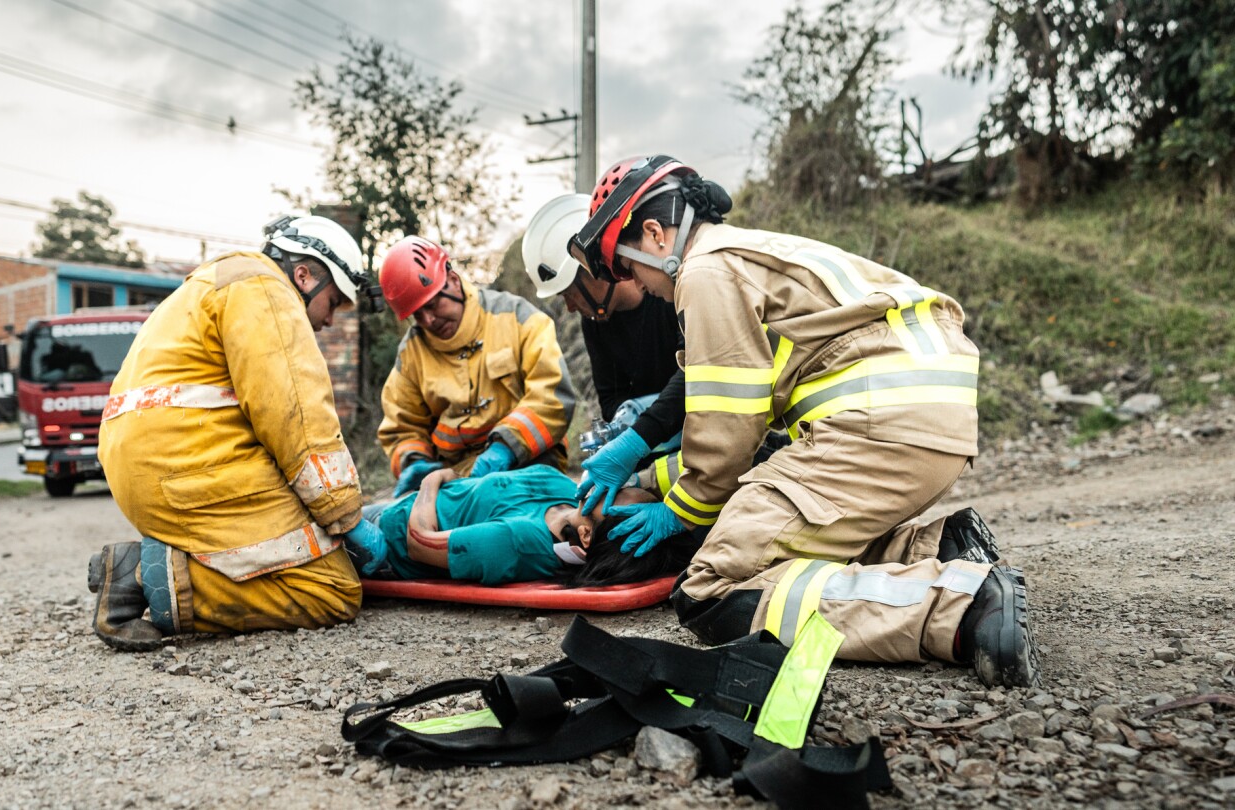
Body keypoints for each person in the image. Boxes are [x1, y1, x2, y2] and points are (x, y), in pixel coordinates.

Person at [566, 155, 1039, 687]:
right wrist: (640, 457)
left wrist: (678, 510)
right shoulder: (751, 253)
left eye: (627, 268)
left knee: (713, 588)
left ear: (654, 233)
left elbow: (729, 427)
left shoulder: (704, 271)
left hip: (876, 425)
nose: (636, 284)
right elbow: (739, 408)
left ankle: (962, 608)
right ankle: (942, 550)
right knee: (785, 542)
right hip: (926, 420)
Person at [87, 214, 384, 652]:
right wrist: (346, 516)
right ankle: (139, 577)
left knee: (295, 551)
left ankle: (149, 570)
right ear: (303, 275)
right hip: (188, 464)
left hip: (153, 464)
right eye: (335, 301)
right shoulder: (266, 291)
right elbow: (296, 419)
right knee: (331, 587)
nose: (331, 319)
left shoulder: (215, 282)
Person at [521, 194, 790, 524]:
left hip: (723, 443)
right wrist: (627, 445)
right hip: (661, 453)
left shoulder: (675, 291)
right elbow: (611, 401)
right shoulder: (596, 324)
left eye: (568, 294)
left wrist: (637, 437)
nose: (570, 307)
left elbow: (697, 375)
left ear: (591, 271)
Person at [377, 235, 577, 496]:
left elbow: (553, 397)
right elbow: (402, 426)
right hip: (454, 480)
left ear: (453, 281)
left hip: (529, 462)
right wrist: (415, 461)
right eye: (417, 314)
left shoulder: (519, 318)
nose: (428, 320)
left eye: (433, 304)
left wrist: (506, 447)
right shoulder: (412, 354)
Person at [344, 465, 698, 587]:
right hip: (399, 506)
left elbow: (420, 542)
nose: (616, 484)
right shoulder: (567, 490)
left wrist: (432, 480)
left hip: (382, 541)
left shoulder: (517, 543)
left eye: (618, 493)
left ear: (587, 535)